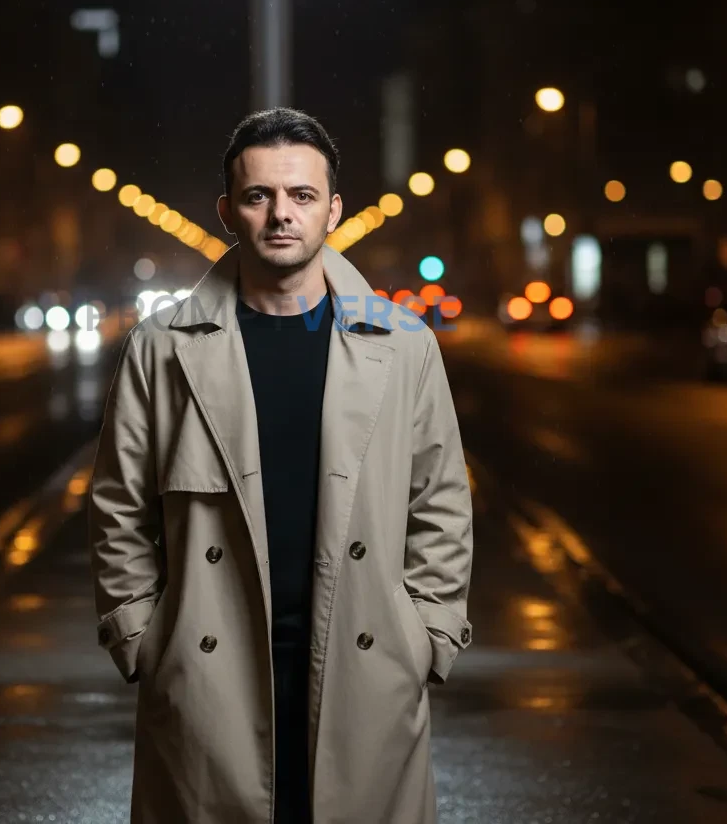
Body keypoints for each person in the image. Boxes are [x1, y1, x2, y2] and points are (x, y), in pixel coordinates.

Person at [89, 107, 474, 824]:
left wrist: (428, 634)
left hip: (368, 663)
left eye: (301, 196)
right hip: (207, 669)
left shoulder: (403, 344)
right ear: (228, 210)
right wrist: (140, 634)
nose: (280, 215)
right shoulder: (163, 346)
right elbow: (119, 503)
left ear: (333, 209)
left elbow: (441, 499)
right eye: (259, 195)